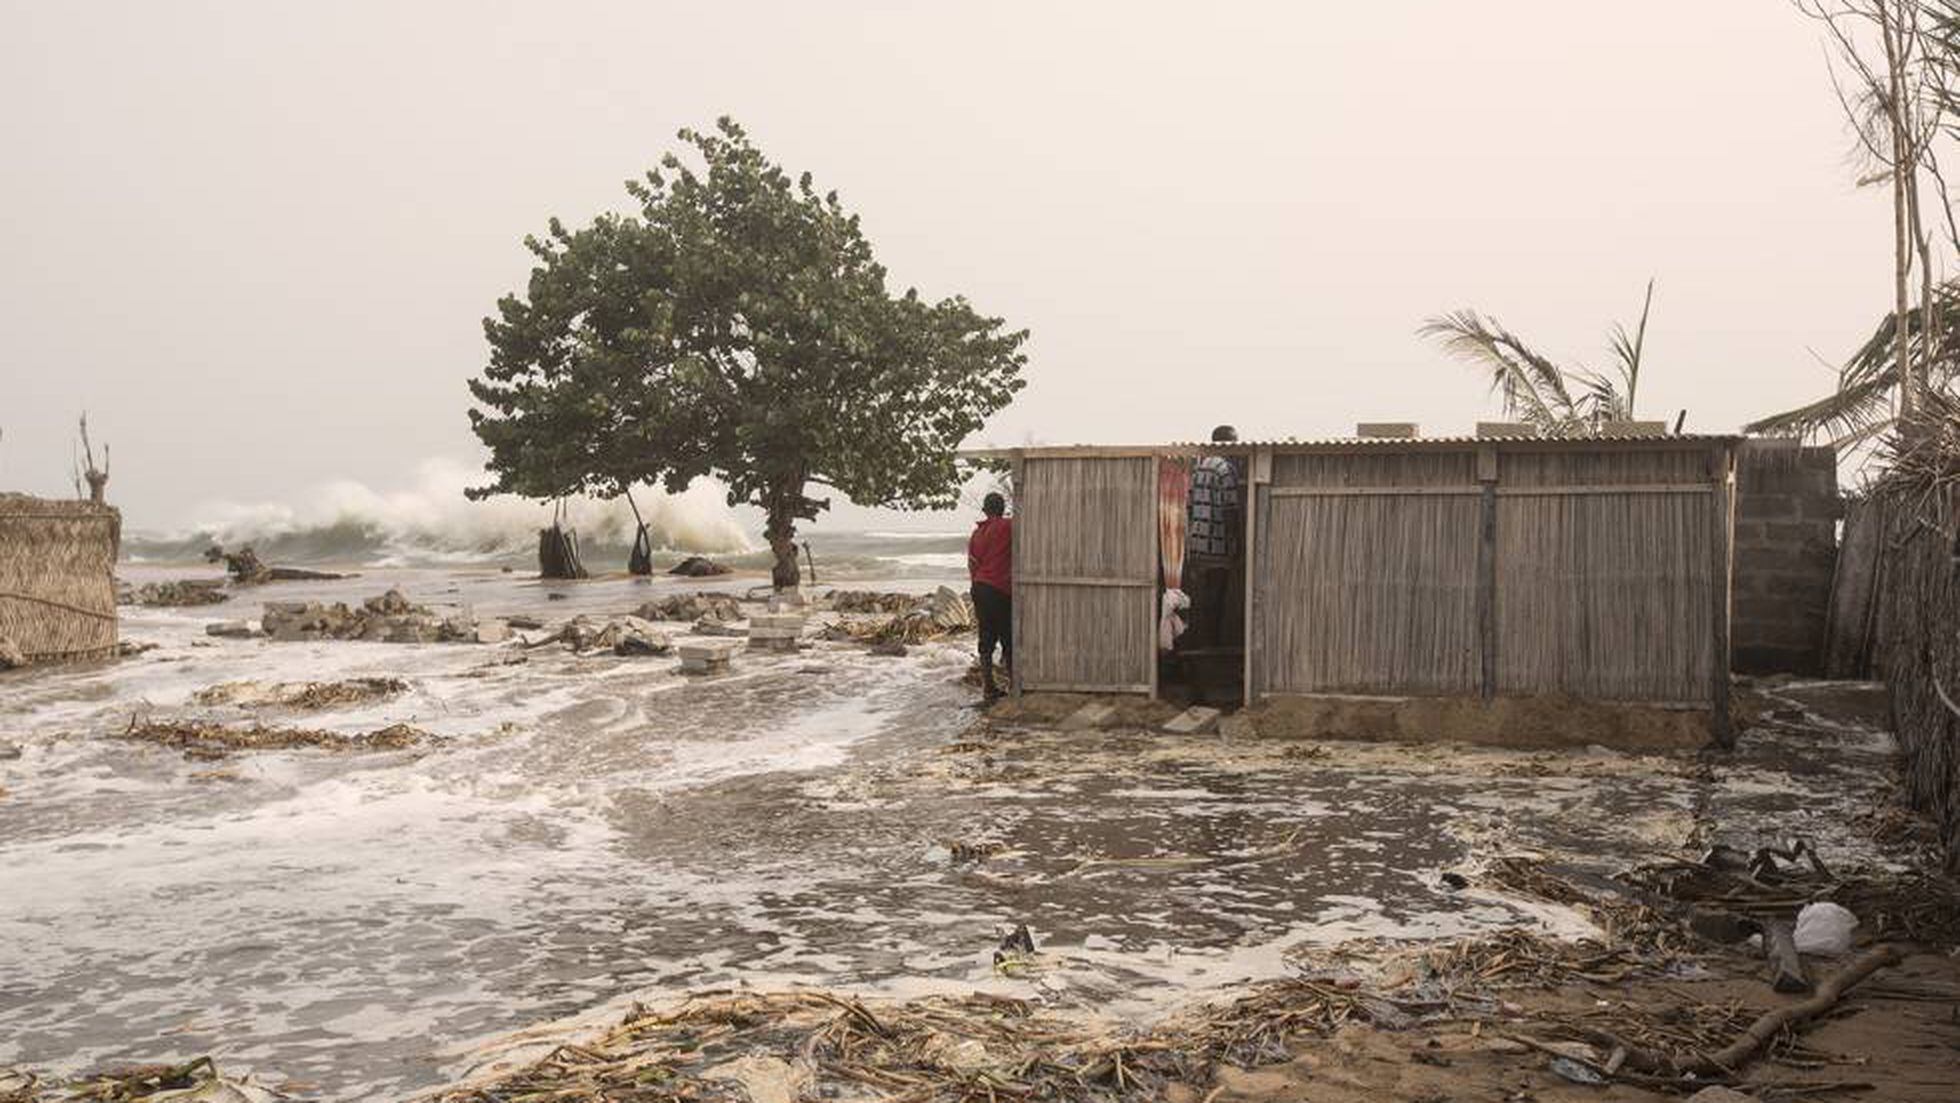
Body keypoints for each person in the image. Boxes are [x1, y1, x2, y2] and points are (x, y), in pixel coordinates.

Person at [1186, 425, 1243, 650]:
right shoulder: (1225, 468)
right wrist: (1235, 542)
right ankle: (1211, 647)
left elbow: (1189, 506)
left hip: (1198, 544)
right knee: (1216, 598)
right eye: (1234, 442)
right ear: (1226, 443)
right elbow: (1230, 509)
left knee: (1201, 599)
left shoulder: (1199, 467)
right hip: (1217, 545)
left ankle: (1201, 644)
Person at [968, 491, 1014, 700]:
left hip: (979, 587)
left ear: (985, 510)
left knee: (986, 638)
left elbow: (972, 564)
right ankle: (1015, 684)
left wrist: (976, 585)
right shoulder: (1008, 526)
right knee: (1008, 636)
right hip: (999, 589)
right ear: (1002, 509)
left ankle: (989, 686)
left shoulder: (977, 534)